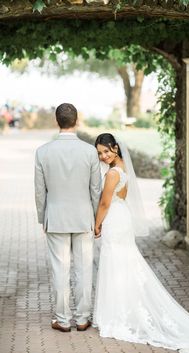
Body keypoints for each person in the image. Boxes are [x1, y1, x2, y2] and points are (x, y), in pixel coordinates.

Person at [93, 133, 189, 353]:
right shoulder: (122, 167)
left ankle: (118, 314)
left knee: (115, 262)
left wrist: (96, 224)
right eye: (100, 153)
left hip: (113, 217)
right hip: (122, 216)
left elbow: (104, 202)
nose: (103, 156)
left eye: (106, 151)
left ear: (115, 148)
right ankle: (124, 310)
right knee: (124, 263)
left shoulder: (112, 173)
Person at [34, 103, 101, 332]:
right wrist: (96, 220)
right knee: (84, 270)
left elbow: (39, 190)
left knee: (59, 270)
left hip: (56, 218)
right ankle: (83, 319)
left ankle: (62, 320)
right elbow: (95, 190)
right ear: (77, 120)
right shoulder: (90, 152)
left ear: (57, 121)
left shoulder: (43, 152)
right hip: (84, 219)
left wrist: (43, 218)